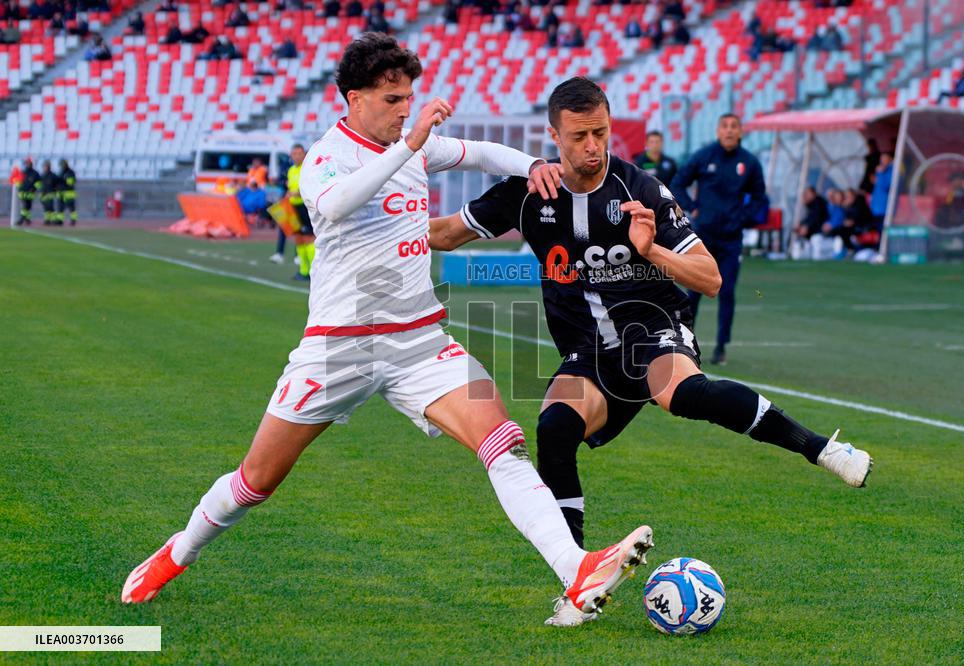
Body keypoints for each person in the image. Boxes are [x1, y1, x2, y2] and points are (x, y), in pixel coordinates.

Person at [121, 35, 653, 625]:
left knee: (501, 439)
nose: (405, 109)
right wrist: (412, 146)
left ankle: (574, 570)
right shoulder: (326, 158)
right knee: (256, 480)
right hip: (337, 349)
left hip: (420, 342)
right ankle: (179, 550)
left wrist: (532, 165)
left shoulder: (411, 143)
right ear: (354, 99)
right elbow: (341, 204)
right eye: (392, 98)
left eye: (410, 98)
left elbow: (477, 152)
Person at [428, 78, 873, 622]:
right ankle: (578, 584)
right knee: (554, 429)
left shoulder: (641, 189)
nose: (593, 146)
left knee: (681, 394)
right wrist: (379, 223)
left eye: (601, 132)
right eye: (579, 136)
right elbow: (446, 234)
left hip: (654, 329)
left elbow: (709, 278)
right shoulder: (529, 190)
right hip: (589, 354)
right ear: (554, 135)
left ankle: (821, 448)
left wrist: (651, 249)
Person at [670, 113, 766, 365]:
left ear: (741, 132)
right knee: (694, 292)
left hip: (731, 239)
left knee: (727, 292)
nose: (729, 131)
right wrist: (692, 207)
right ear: (717, 131)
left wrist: (742, 218)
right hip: (702, 238)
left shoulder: (749, 162)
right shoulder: (704, 156)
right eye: (725, 126)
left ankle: (721, 347)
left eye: (734, 127)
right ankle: (685, 343)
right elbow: (678, 183)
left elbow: (759, 198)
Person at [285, 143, 315, 281]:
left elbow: (311, 187)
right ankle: (303, 271)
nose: (297, 156)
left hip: (305, 207)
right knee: (298, 239)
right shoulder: (291, 170)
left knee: (309, 238)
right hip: (293, 209)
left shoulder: (308, 168)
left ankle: (314, 272)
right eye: (294, 154)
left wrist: (298, 193)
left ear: (304, 154)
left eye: (299, 153)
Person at [869, 151, 893, 230]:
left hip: (884, 209)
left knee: (884, 233)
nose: (882, 161)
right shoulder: (883, 170)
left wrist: (880, 173)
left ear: (890, 159)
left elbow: (884, 186)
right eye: (881, 159)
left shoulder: (892, 170)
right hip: (876, 209)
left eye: (884, 159)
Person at [16, 157, 40, 226]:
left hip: (30, 193)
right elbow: (18, 181)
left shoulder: (35, 174)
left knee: (28, 206)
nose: (28, 165)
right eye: (27, 163)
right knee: (25, 206)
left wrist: (34, 188)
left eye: (29, 163)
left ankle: (26, 219)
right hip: (23, 193)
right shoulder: (22, 172)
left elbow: (38, 183)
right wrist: (20, 187)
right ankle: (22, 219)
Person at [38, 160, 62, 225]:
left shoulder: (53, 176)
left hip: (50, 193)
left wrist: (56, 190)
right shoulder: (42, 176)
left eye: (46, 166)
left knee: (50, 207)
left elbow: (58, 184)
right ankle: (47, 220)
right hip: (43, 194)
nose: (45, 168)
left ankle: (53, 220)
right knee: (46, 208)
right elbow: (40, 184)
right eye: (44, 166)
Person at [56, 158, 77, 226]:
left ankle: (73, 220)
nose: (61, 166)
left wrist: (64, 180)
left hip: (68, 193)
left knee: (71, 208)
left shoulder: (70, 172)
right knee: (60, 208)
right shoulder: (61, 172)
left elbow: (70, 182)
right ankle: (60, 220)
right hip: (61, 193)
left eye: (62, 165)